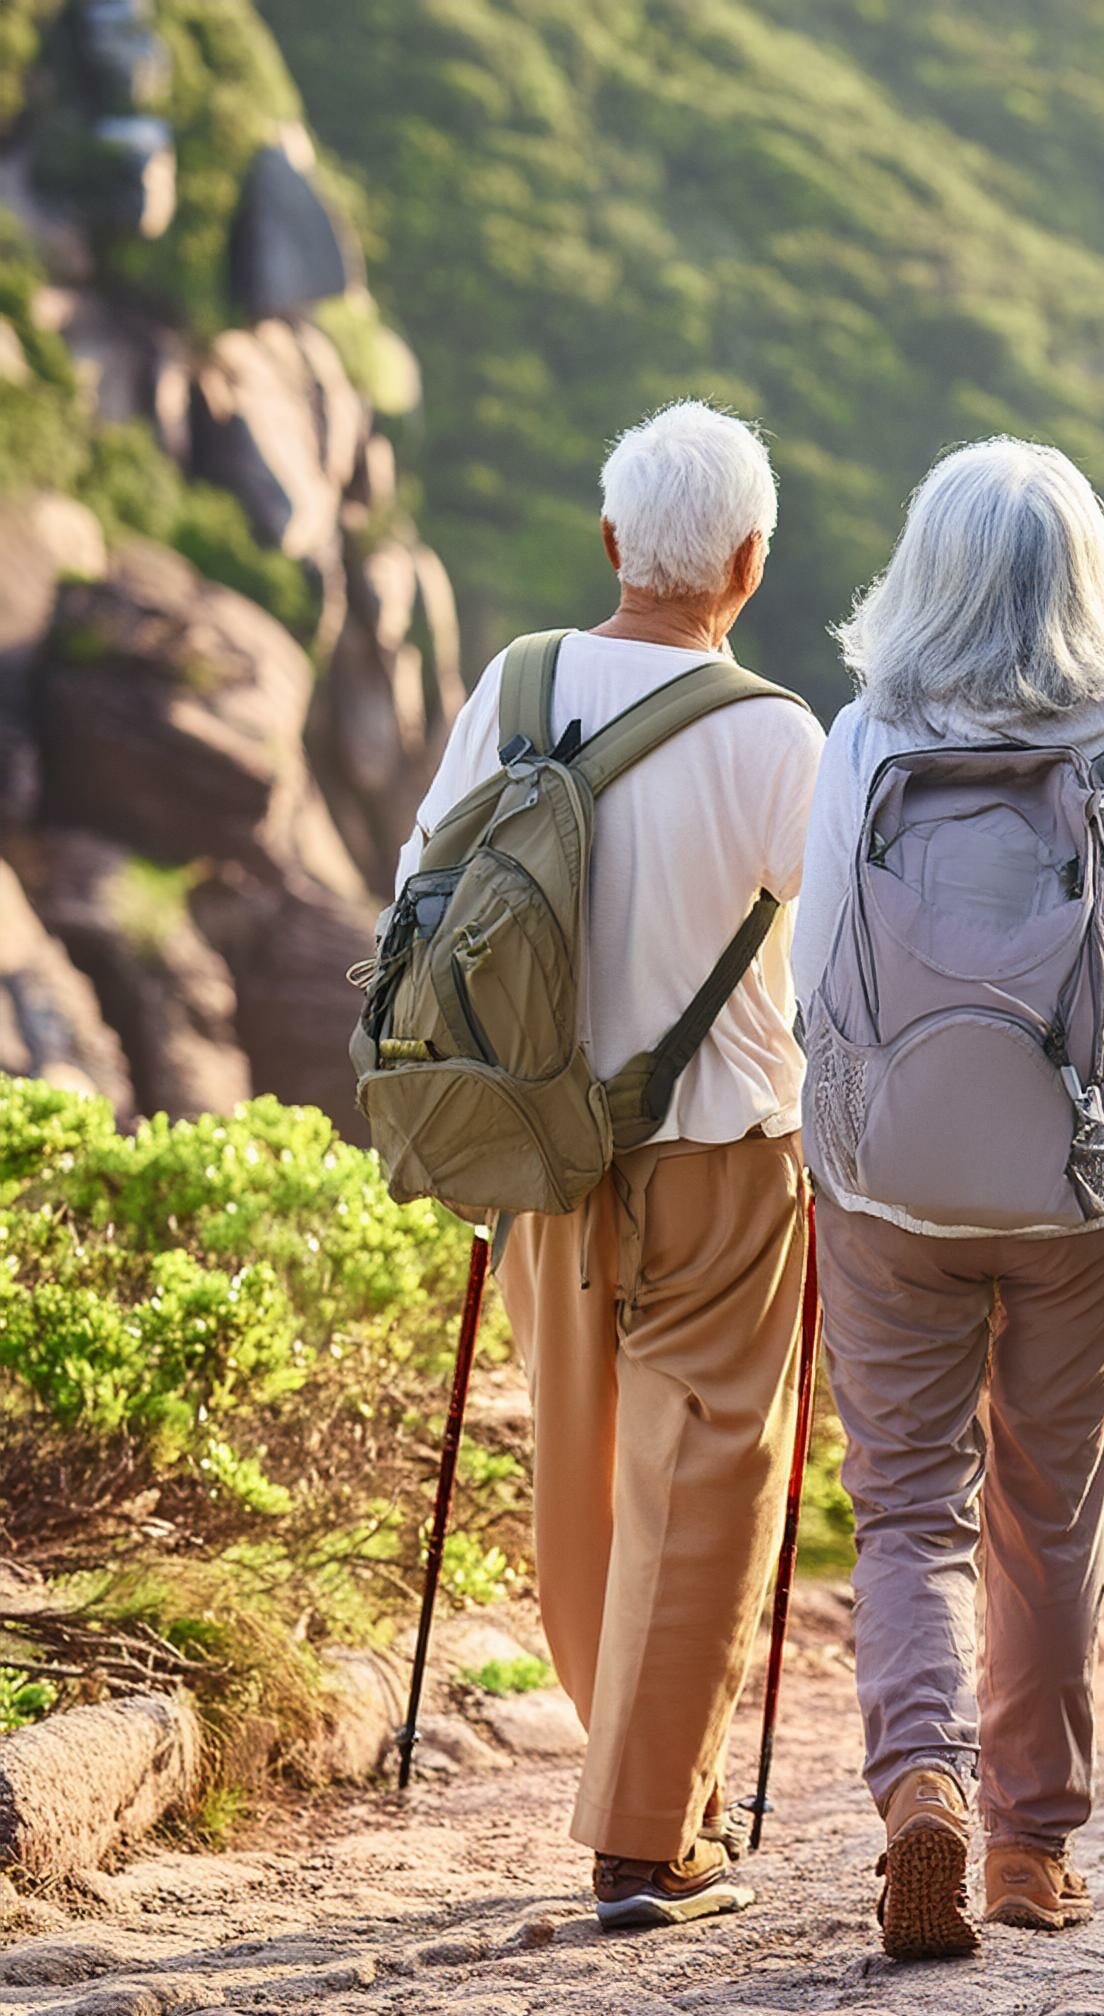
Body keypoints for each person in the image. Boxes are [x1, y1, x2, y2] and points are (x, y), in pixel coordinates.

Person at [790, 437, 1104, 1959]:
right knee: (1047, 1513)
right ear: (1089, 577)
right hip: (1079, 1191)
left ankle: (917, 1780)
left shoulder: (861, 741)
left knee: (910, 1507)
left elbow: (815, 989)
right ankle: (1025, 1849)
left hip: (888, 1187)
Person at [394, 401, 824, 1930]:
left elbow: (421, 895)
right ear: (751, 563)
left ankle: (650, 1778)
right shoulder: (777, 736)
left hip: (537, 1154)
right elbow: (833, 964)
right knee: (706, 1473)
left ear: (609, 542)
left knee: (582, 1477)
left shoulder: (513, 688)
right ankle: (649, 1838)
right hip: (721, 1158)